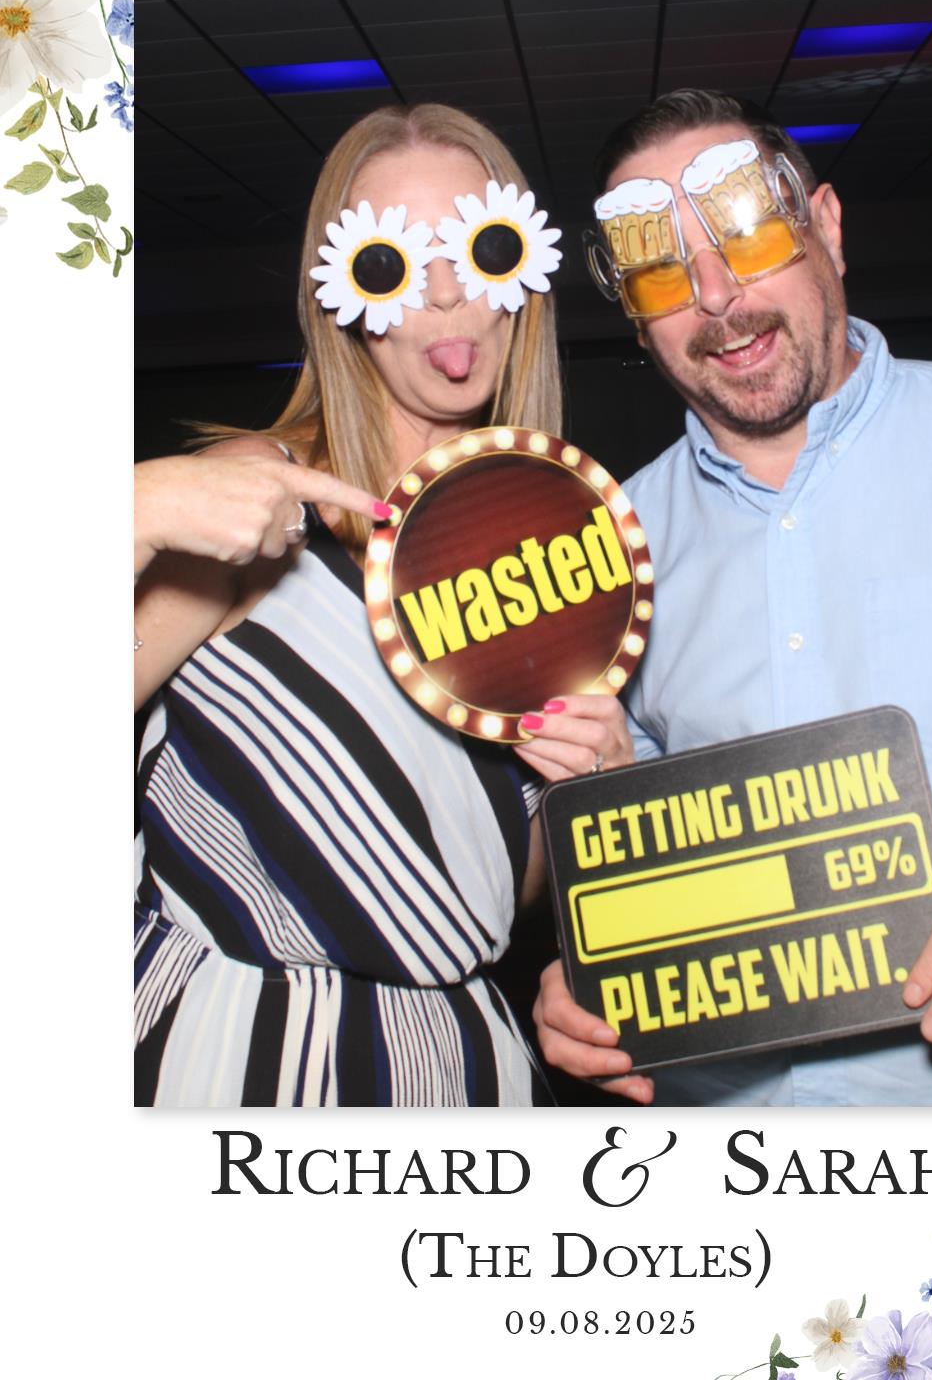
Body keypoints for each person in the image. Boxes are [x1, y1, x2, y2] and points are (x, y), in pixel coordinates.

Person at [534, 88, 932, 1107]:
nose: (719, 297)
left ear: (824, 225)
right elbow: (627, 848)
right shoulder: (603, 554)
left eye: (745, 235)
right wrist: (597, 976)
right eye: (663, 269)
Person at [134, 103, 632, 1107]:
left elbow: (489, 891)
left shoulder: (551, 544)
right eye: (393, 261)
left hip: (459, 1068)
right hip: (238, 1067)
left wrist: (593, 782)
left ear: (523, 278)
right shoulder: (259, 497)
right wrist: (129, 515)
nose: (445, 293)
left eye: (476, 248)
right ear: (345, 299)